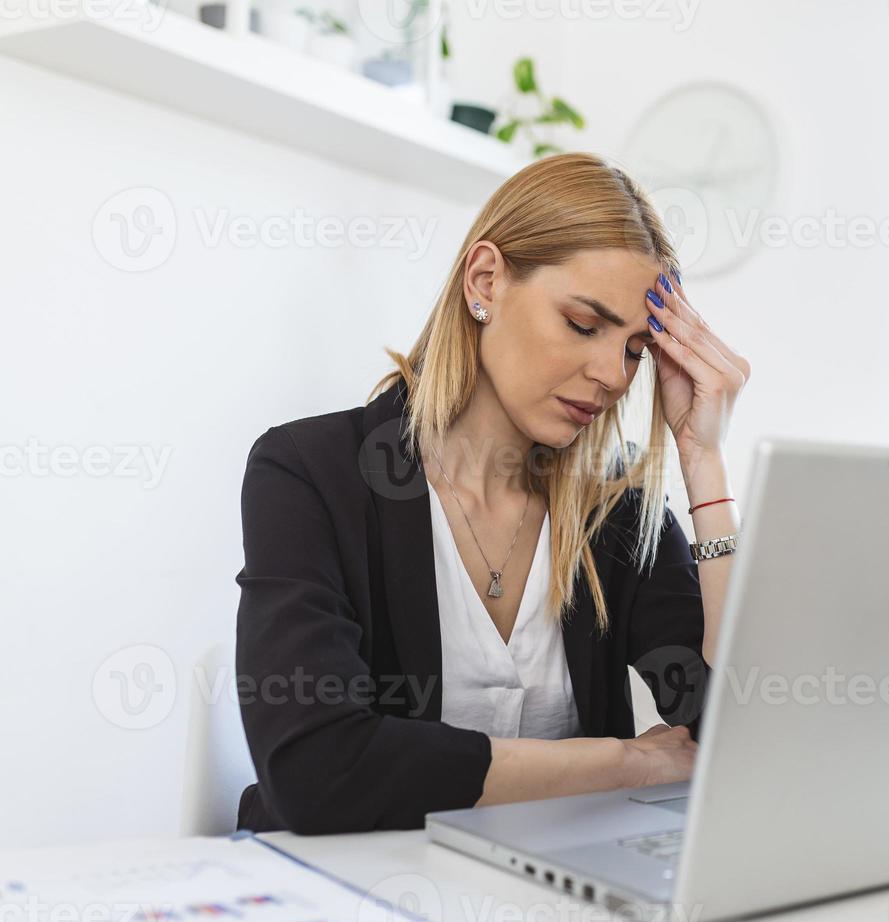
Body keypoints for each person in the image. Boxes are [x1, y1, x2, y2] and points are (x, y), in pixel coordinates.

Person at [233, 152, 750, 834]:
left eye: (634, 350)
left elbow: (737, 730)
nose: (612, 375)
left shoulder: (615, 515)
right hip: (341, 893)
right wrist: (626, 763)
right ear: (485, 281)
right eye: (584, 324)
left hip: (542, 898)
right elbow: (319, 768)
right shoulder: (308, 473)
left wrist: (704, 459)